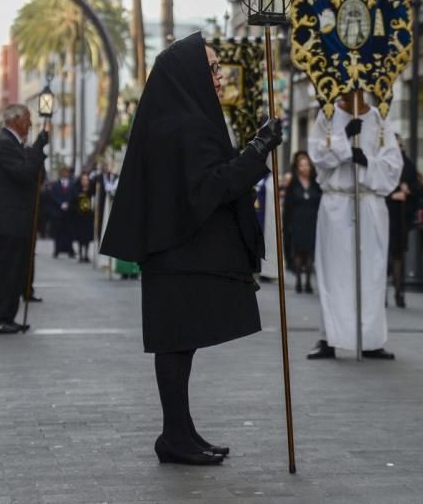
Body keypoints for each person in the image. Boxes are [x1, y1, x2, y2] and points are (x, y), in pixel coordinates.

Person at [100, 32, 282, 465]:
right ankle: (175, 438)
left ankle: (179, 432)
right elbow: (211, 187)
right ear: (190, 74)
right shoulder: (183, 125)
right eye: (213, 69)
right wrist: (258, 150)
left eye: (218, 68)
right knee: (175, 343)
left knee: (181, 344)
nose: (220, 77)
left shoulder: (178, 119)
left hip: (181, 252)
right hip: (179, 253)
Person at [307, 90, 403, 359]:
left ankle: (371, 340)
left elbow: (392, 165)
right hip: (337, 202)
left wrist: (365, 161)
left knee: (371, 273)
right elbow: (317, 155)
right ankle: (330, 337)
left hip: (370, 202)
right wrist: (344, 139)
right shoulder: (327, 117)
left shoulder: (379, 119)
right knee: (334, 272)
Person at [0, 104, 48, 334]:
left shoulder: (15, 144)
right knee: (4, 273)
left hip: (15, 222)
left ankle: (6, 317)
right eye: (27, 118)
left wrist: (36, 151)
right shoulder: (3, 145)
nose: (30, 123)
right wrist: (38, 147)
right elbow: (23, 173)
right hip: (4, 221)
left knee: (15, 272)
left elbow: (35, 175)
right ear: (14, 120)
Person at [386, 135, 418, 308]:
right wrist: (392, 196)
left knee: (398, 254)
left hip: (401, 217)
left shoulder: (408, 166)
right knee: (383, 255)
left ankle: (399, 291)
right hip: (385, 215)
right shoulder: (384, 163)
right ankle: (380, 294)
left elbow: (416, 190)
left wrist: (408, 192)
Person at [283, 151, 321, 293]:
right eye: (302, 165)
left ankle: (308, 281)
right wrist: (287, 225)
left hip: (312, 221)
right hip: (297, 221)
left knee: (310, 252)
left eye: (307, 165)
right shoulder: (293, 184)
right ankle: (298, 279)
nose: (305, 168)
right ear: (297, 167)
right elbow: (288, 205)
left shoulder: (315, 183)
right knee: (298, 251)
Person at [50, 166, 75, 259]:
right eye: (63, 172)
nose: (65, 174)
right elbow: (53, 196)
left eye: (66, 172)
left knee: (69, 232)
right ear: (60, 173)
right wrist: (61, 204)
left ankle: (70, 250)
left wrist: (68, 204)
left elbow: (73, 195)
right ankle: (57, 250)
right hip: (58, 212)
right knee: (58, 232)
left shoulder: (72, 184)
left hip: (69, 212)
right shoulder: (56, 185)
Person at [72, 171, 95, 262]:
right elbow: (74, 200)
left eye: (86, 179)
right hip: (79, 216)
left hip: (88, 216)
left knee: (87, 236)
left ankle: (86, 254)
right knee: (80, 236)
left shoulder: (91, 190)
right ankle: (81, 253)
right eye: (83, 179)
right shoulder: (77, 189)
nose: (85, 181)